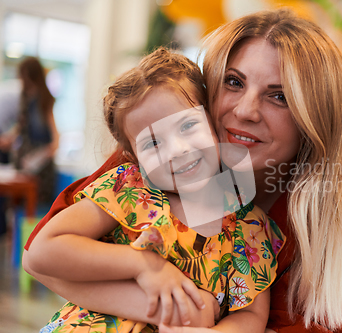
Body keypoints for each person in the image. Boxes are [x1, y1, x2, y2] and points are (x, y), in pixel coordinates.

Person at [23, 8, 342, 332]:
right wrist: (164, 299)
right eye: (234, 81)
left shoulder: (293, 221)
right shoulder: (150, 165)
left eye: (279, 96)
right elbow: (41, 261)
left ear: (314, 118)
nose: (245, 110)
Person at [30, 47, 285, 333]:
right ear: (134, 158)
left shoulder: (249, 227)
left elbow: (251, 314)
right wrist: (143, 266)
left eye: (188, 125)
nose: (178, 150)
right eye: (153, 144)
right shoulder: (131, 189)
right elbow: (42, 251)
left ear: (212, 121)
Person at [13, 57, 59, 204]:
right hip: (24, 161)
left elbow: (55, 139)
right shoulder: (24, 98)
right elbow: (21, 128)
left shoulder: (44, 99)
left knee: (35, 206)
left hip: (40, 167)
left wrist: (40, 157)